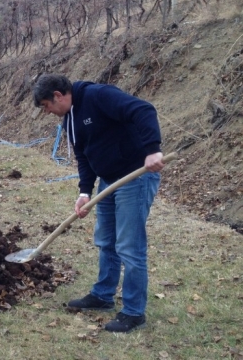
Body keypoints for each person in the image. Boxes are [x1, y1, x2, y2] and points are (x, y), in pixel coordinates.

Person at [32, 74, 167, 333]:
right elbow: (84, 156)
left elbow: (143, 109)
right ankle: (103, 295)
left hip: (134, 177)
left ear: (58, 95)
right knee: (106, 241)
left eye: (46, 106)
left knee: (129, 246)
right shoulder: (68, 119)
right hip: (108, 182)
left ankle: (133, 312)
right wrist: (84, 192)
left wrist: (152, 149)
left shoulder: (98, 95)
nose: (47, 111)